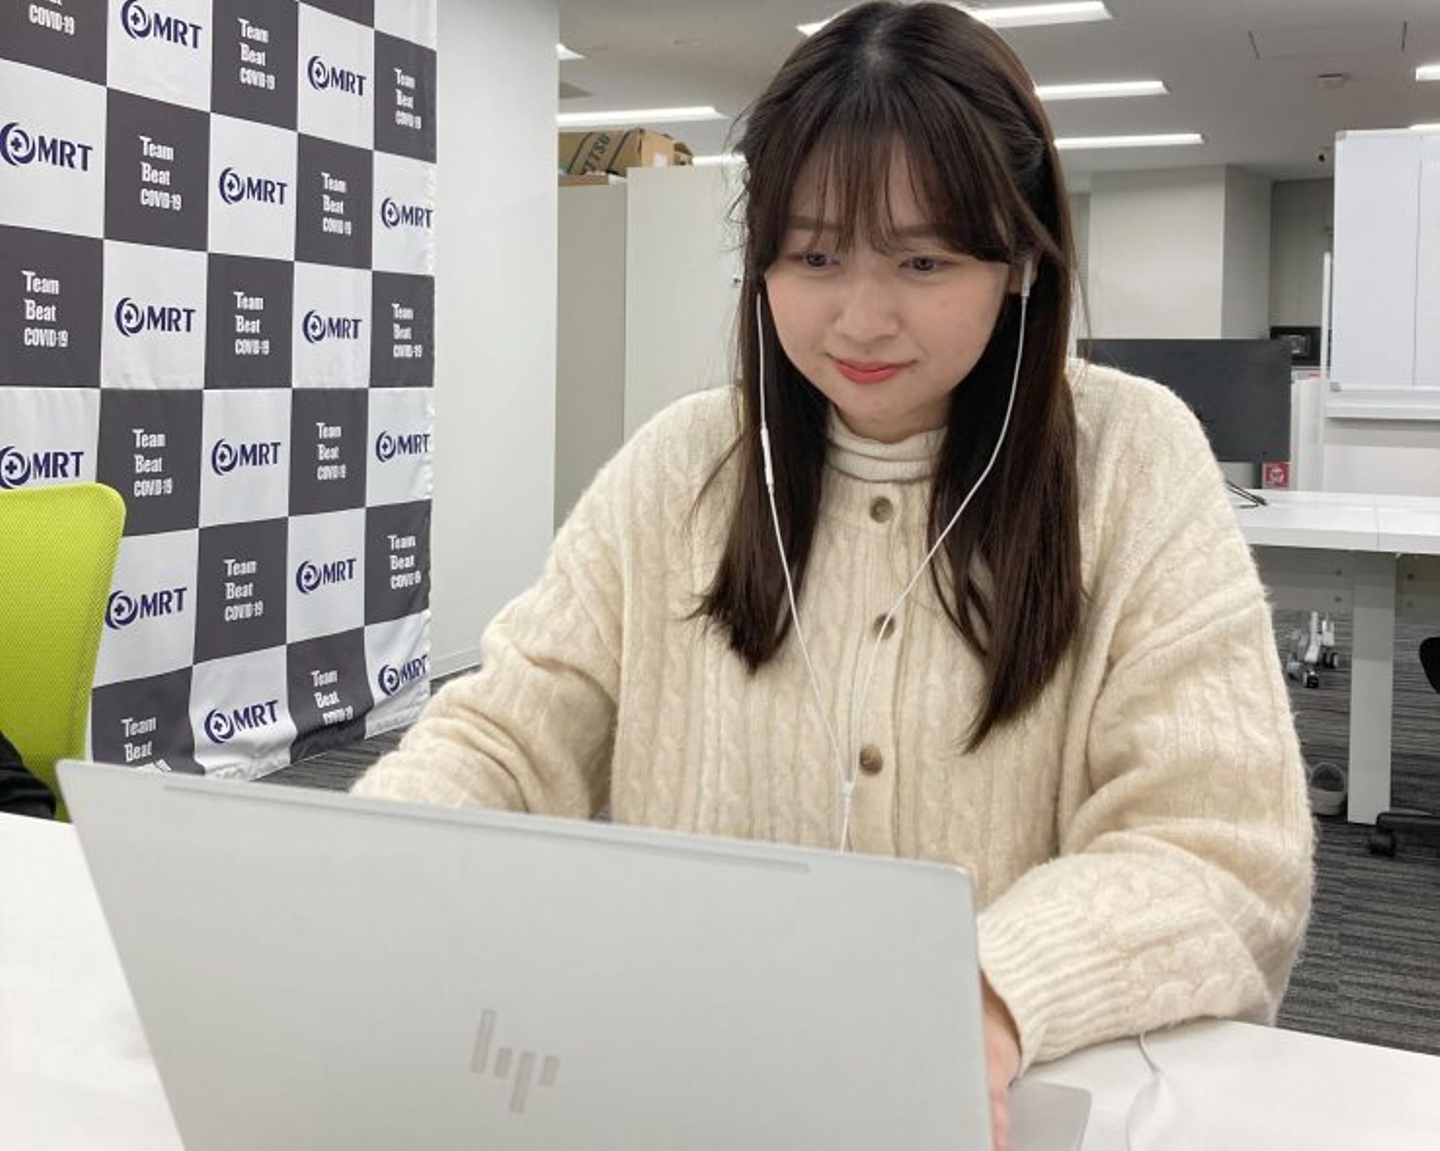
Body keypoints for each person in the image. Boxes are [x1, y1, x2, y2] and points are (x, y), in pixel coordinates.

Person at [354, 4, 1313, 1147]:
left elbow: (1221, 848)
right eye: (814, 257)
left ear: (1018, 260)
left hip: (1000, 1105)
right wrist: (362, 878)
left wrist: (985, 994)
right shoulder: (682, 466)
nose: (862, 318)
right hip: (687, 1092)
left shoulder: (1130, 462)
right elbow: (504, 739)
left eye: (922, 260)